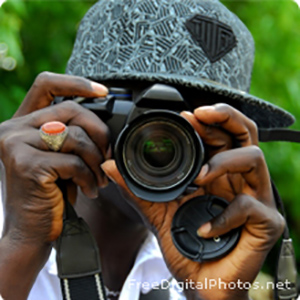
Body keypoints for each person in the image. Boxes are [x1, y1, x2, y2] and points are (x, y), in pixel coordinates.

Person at [0, 0, 293, 299]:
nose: (165, 146)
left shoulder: (194, 269)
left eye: (201, 128)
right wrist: (21, 247)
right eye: (146, 115)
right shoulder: (11, 238)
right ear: (72, 108)